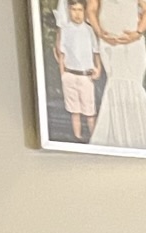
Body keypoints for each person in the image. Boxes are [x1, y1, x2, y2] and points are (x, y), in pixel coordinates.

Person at [87, 0, 146, 154]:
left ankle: (137, 141)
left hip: (133, 44)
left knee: (133, 87)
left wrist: (137, 33)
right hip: (109, 44)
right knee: (114, 86)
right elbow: (91, 9)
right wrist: (100, 32)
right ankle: (117, 140)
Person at [54, 0, 102, 145]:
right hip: (70, 74)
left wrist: (98, 68)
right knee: (75, 111)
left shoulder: (89, 30)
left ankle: (94, 139)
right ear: (69, 10)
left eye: (80, 10)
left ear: (84, 11)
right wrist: (63, 74)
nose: (77, 14)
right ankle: (78, 137)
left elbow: (96, 51)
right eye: (74, 10)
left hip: (85, 76)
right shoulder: (65, 30)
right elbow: (62, 53)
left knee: (89, 111)